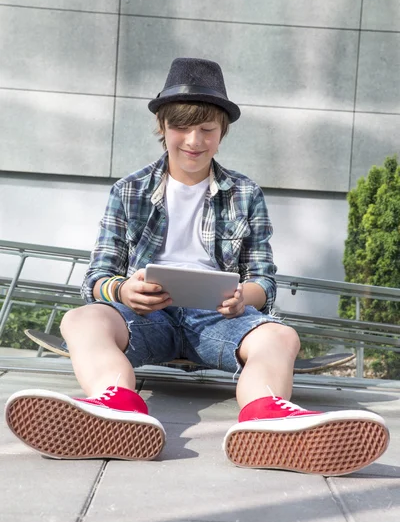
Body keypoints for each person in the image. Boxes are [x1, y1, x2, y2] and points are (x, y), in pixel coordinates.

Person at [5, 58, 389, 475]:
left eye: (206, 129)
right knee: (81, 320)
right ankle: (115, 405)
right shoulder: (129, 190)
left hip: (219, 320)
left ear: (222, 133)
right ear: (163, 128)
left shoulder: (245, 193)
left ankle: (267, 420)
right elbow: (96, 278)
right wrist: (122, 291)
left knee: (279, 336)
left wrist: (246, 297)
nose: (193, 140)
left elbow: (263, 279)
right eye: (181, 128)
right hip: (146, 316)